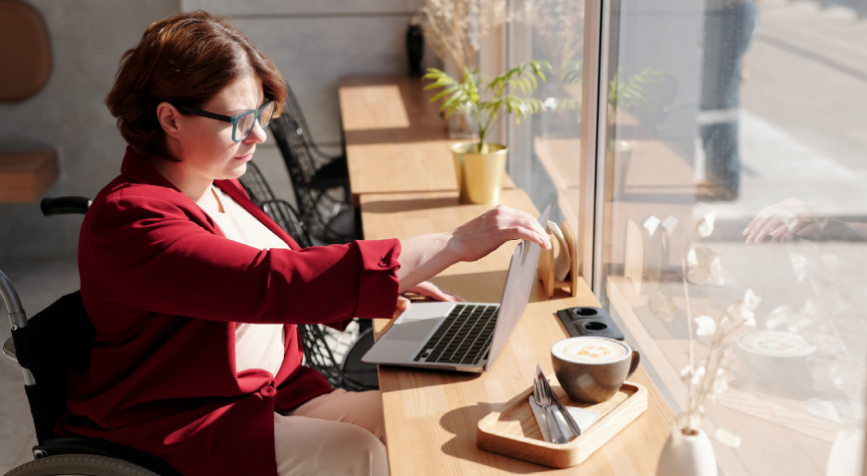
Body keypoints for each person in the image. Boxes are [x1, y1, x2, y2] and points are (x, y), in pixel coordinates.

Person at [55, 11, 551, 476]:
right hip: (186, 418)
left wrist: (394, 285)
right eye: (239, 121)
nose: (258, 137)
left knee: (415, 414)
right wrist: (455, 243)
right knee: (360, 454)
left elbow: (282, 266)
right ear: (170, 119)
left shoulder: (216, 182)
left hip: (272, 393)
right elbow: (269, 283)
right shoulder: (130, 219)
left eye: (261, 114)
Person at [698, 0, 758, 201]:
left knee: (718, 102)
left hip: (728, 11)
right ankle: (719, 176)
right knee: (713, 100)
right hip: (720, 12)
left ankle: (724, 180)